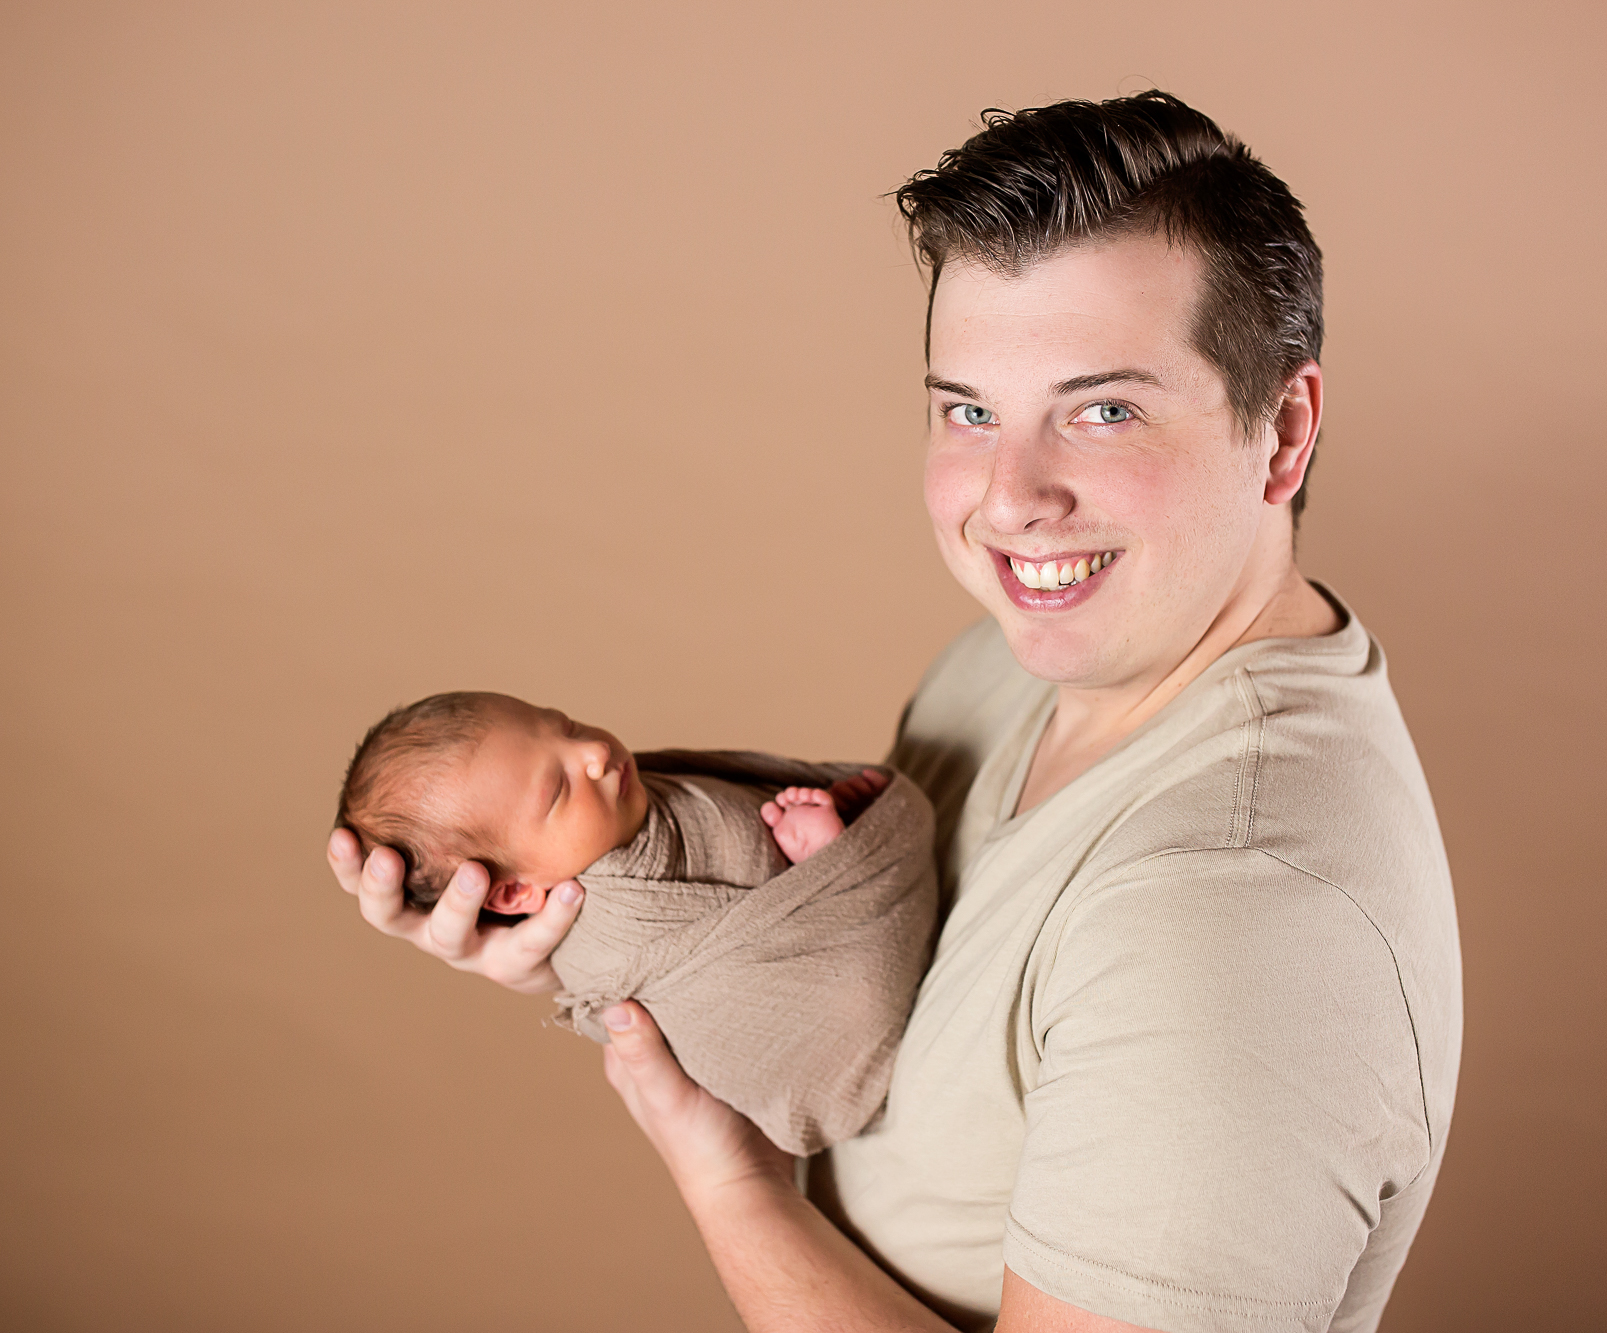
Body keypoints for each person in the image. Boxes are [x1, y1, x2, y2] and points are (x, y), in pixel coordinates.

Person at [328, 91, 1462, 1332]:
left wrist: (725, 1175)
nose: (1009, 499)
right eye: (969, 410)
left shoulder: (1234, 909)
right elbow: (827, 968)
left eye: (1103, 410)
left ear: (1282, 432)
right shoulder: (1011, 664)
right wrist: (599, 935)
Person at [334, 690, 934, 1155]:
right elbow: (751, 961)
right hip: (829, 1017)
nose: (592, 754)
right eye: (558, 790)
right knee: (851, 995)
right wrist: (823, 859)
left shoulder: (642, 805)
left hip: (828, 913)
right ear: (515, 892)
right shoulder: (619, 912)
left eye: (565, 726)